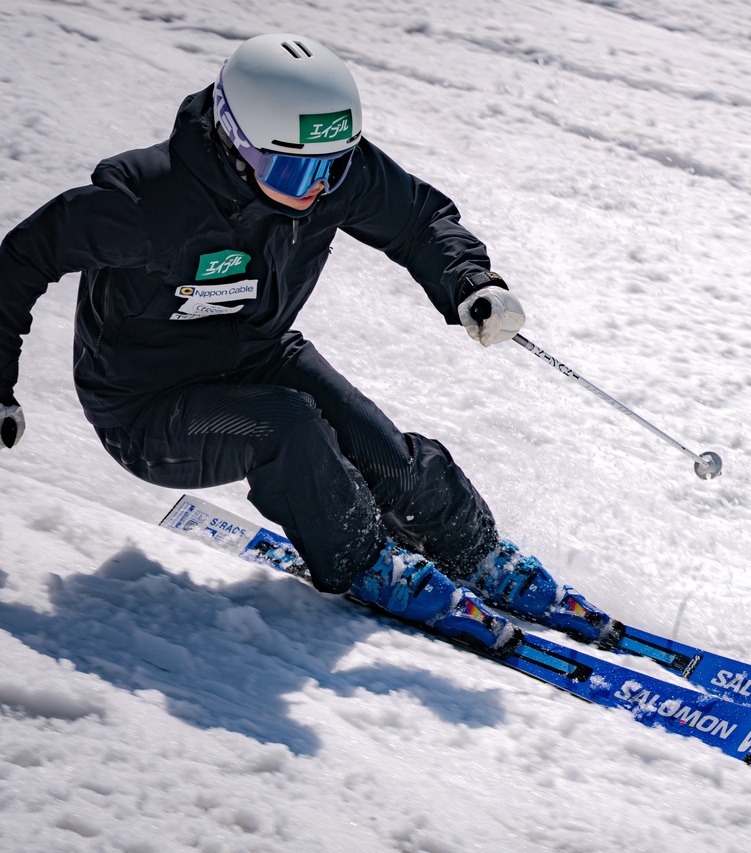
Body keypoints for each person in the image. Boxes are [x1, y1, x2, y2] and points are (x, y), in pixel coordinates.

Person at [0, 33, 616, 656]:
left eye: (333, 167)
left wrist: (470, 283)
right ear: (236, 142)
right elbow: (20, 260)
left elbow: (417, 220)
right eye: (295, 169)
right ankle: (367, 560)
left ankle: (473, 549)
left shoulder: (322, 164)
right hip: (148, 408)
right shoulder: (146, 203)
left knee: (384, 451)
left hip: (259, 352)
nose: (318, 188)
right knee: (290, 427)